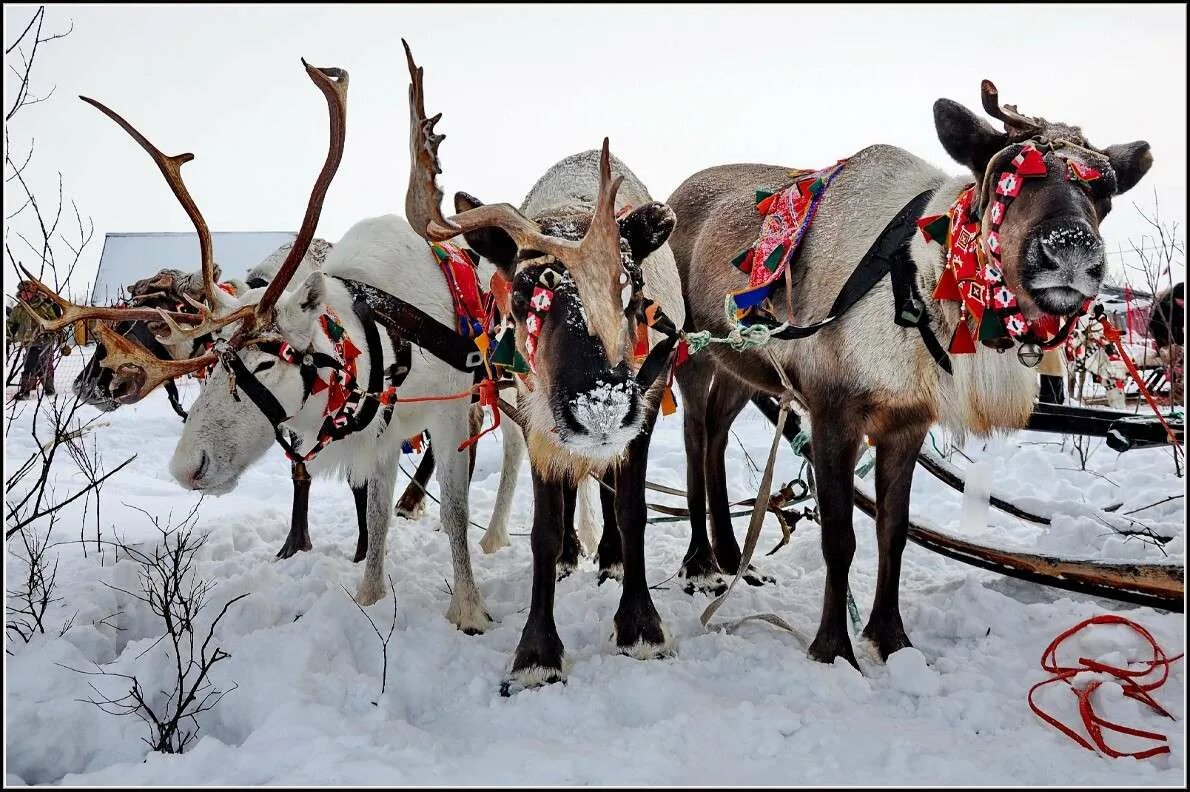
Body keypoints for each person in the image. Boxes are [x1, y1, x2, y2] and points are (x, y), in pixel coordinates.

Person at [7, 280, 65, 400]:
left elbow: (56, 323)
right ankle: (40, 390)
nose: (25, 294)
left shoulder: (44, 306)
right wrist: (7, 340)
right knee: (36, 364)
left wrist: (63, 343)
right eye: (22, 292)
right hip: (28, 342)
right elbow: (11, 326)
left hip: (45, 341)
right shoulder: (18, 309)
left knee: (40, 364)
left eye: (27, 292)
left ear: (33, 293)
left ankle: (33, 391)